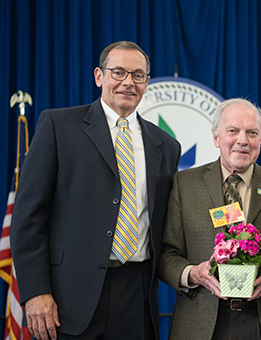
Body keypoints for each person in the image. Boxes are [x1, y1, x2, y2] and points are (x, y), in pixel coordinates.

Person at [10, 41, 181, 340]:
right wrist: (36, 292)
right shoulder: (59, 126)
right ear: (99, 76)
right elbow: (28, 218)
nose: (128, 82)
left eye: (138, 75)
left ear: (147, 83)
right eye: (119, 72)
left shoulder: (166, 146)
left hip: (137, 297)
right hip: (68, 299)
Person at [158, 98, 261, 340]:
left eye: (252, 132)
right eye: (233, 131)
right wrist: (192, 272)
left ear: (260, 140)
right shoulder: (185, 184)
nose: (242, 140)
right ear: (216, 138)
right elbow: (167, 253)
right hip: (200, 320)